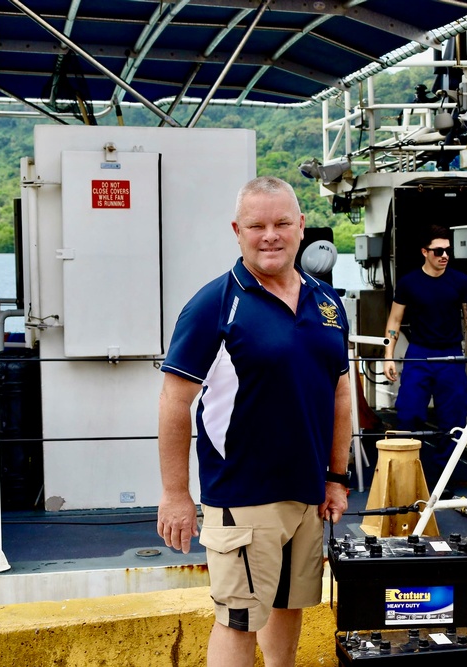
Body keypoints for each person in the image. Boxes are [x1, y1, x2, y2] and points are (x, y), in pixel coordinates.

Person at [156, 176, 352, 667]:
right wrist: (177, 495)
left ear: (301, 227)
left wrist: (336, 476)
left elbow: (340, 391)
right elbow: (175, 401)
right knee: (239, 621)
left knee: (289, 607)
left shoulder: (327, 304)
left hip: (306, 494)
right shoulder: (214, 304)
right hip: (242, 498)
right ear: (237, 231)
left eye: (282, 223)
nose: (271, 235)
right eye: (257, 225)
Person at [383, 225, 467, 488]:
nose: (444, 256)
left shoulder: (459, 281)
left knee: (453, 419)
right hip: (419, 354)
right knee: (407, 414)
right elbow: (395, 318)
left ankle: (443, 477)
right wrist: (388, 355)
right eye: (438, 251)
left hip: (451, 355)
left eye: (447, 251)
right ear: (425, 252)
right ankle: (404, 475)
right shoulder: (409, 282)